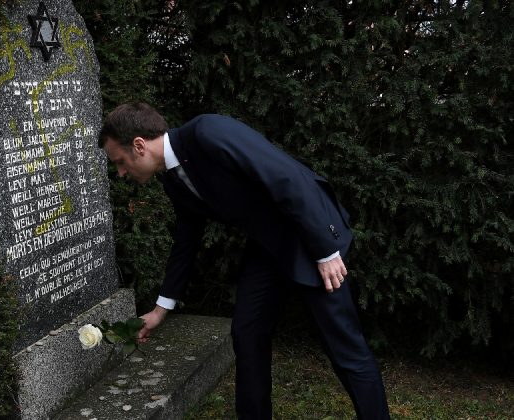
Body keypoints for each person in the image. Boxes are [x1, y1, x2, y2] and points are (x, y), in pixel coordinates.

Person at [98, 102, 390, 419]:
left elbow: (285, 176)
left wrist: (325, 250)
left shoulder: (208, 131)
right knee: (247, 332)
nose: (122, 172)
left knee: (344, 347)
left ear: (139, 145)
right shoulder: (171, 178)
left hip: (308, 235)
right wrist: (160, 310)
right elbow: (186, 238)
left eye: (121, 162)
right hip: (266, 247)